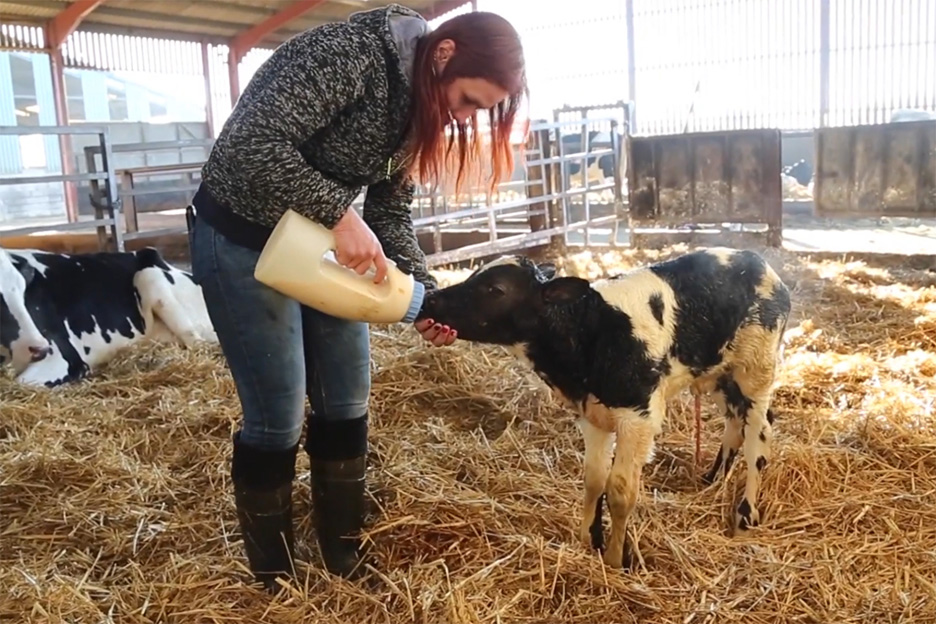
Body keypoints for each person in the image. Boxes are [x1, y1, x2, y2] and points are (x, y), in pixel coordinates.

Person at [186, 3, 526, 590]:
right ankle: (275, 576)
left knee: (346, 395)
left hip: (319, 250)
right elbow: (251, 143)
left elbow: (390, 212)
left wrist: (426, 296)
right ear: (443, 55)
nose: (463, 116)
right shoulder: (352, 55)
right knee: (279, 411)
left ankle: (344, 555)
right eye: (468, 100)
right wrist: (340, 215)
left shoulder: (423, 106)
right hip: (242, 236)